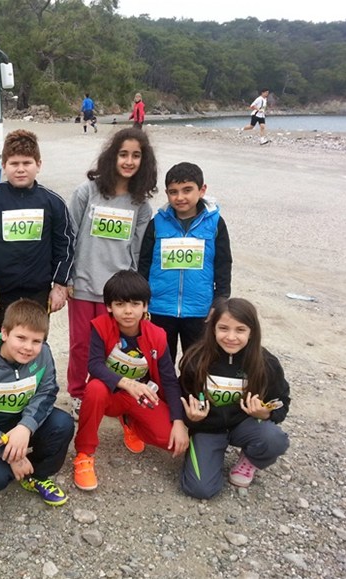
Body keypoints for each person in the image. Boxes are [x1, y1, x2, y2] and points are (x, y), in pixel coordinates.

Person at [67, 128, 157, 419]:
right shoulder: (87, 191)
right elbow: (69, 235)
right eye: (123, 154)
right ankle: (78, 394)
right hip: (83, 284)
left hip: (119, 292)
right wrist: (66, 278)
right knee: (81, 345)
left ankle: (109, 392)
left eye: (136, 156)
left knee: (116, 348)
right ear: (112, 156)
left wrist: (137, 292)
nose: (129, 161)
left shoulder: (141, 205)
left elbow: (138, 251)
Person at [72, 271, 188, 491]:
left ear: (145, 306)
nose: (127, 311)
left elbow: (169, 380)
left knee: (170, 439)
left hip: (140, 397)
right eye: (120, 304)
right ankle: (84, 454)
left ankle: (130, 422)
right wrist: (126, 383)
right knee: (94, 387)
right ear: (109, 307)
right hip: (110, 394)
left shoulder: (157, 335)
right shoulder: (100, 326)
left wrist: (179, 420)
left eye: (135, 304)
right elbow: (94, 365)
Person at [0, 299, 74, 506]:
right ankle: (12, 463)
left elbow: (47, 392)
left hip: (22, 422)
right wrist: (12, 455)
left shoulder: (44, 354)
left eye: (36, 341)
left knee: (63, 423)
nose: (28, 347)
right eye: (21, 338)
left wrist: (26, 426)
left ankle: (37, 475)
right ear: (5, 333)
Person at [0, 129, 75, 353]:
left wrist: (60, 285)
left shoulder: (53, 202)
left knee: (32, 347)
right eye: (14, 163)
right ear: (4, 166)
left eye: (27, 163)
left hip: (37, 292)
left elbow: (65, 245)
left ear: (38, 164)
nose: (20, 169)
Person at [178, 298, 290, 499]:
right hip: (208, 428)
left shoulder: (266, 363)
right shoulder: (195, 358)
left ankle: (250, 459)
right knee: (200, 489)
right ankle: (208, 455)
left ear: (252, 332)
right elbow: (182, 398)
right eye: (223, 328)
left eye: (240, 330)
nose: (231, 337)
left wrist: (266, 413)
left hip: (245, 425)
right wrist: (190, 419)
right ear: (213, 329)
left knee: (275, 440)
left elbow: (282, 401)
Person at [138, 162, 232, 363]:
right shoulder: (157, 223)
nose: (180, 197)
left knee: (196, 363)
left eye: (187, 190)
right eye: (173, 192)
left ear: (202, 190)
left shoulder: (215, 223)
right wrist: (142, 298)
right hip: (160, 308)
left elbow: (223, 263)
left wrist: (221, 298)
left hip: (199, 309)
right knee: (160, 362)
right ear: (166, 193)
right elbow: (144, 262)